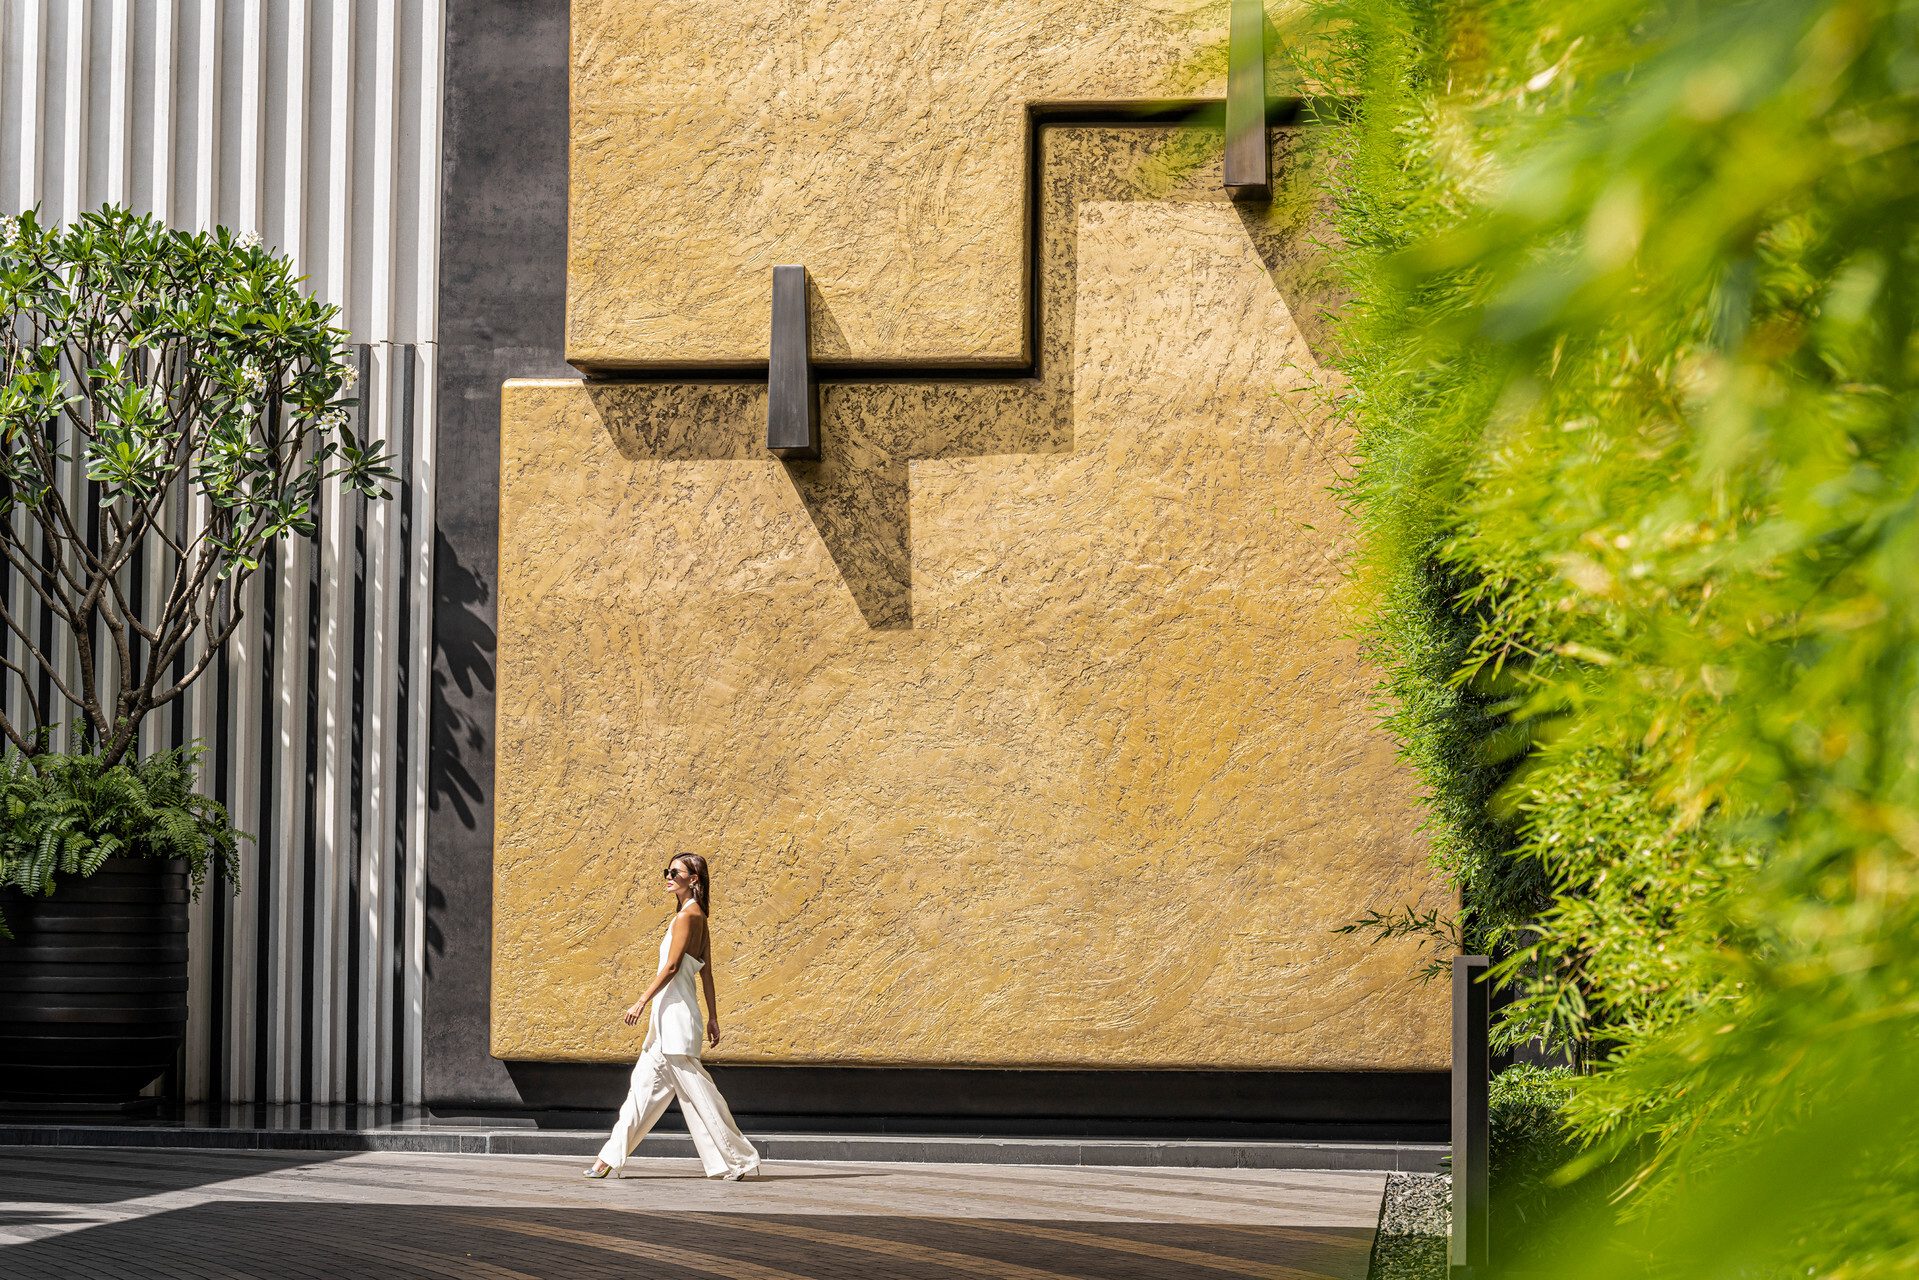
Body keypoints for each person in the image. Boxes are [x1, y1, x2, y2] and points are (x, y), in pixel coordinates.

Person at [583, 852, 761, 1181]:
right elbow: (706, 974)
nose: (668, 876)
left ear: (693, 879)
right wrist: (713, 1017)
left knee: (700, 1095)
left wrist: (640, 1001)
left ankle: (739, 1160)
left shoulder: (688, 918)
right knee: (640, 1092)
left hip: (676, 1019)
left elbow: (674, 967)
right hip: (669, 1020)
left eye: (675, 872)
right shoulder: (696, 917)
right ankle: (607, 1158)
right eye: (667, 871)